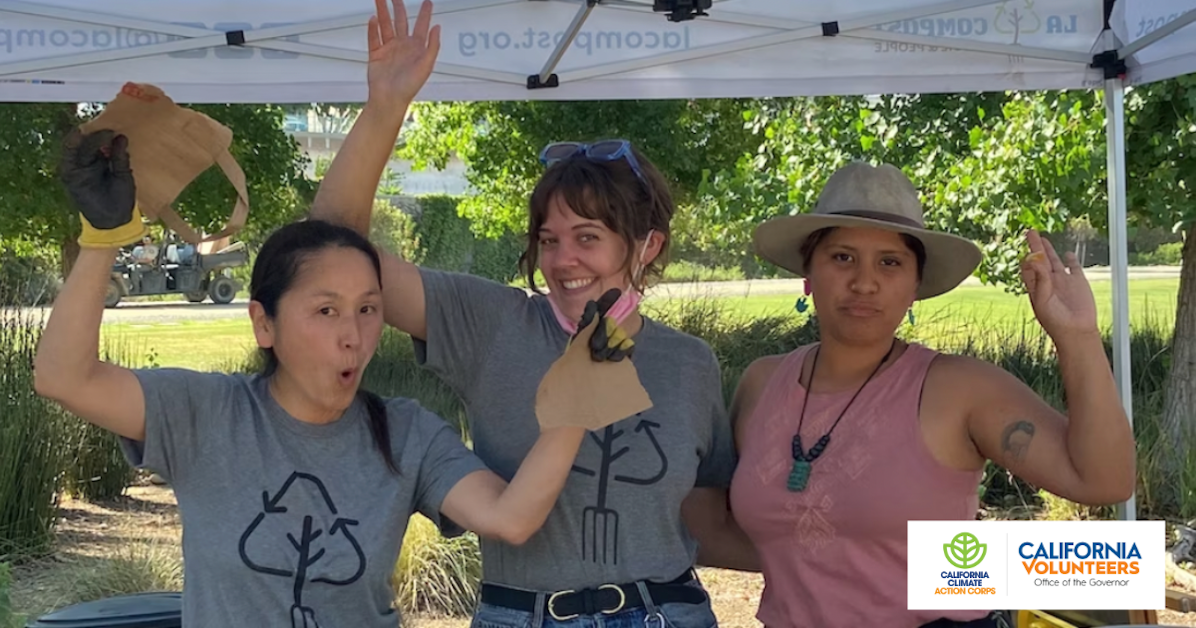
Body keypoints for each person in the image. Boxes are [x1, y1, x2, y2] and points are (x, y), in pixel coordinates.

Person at [34, 128, 595, 628]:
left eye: (368, 309)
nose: (353, 335)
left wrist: (579, 393)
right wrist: (102, 239)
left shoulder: (407, 435)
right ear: (264, 324)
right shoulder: (205, 413)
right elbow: (64, 377)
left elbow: (511, 518)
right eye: (325, 311)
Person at [308, 1, 752, 626]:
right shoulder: (490, 325)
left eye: (588, 237)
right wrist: (387, 109)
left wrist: (857, 564)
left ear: (647, 245)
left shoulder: (689, 363)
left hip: (666, 611)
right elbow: (328, 252)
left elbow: (709, 518)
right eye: (548, 239)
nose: (563, 260)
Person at [726, 162, 1137, 628]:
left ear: (916, 284)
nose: (864, 282)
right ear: (808, 271)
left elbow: (1104, 481)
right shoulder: (761, 385)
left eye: (890, 262)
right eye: (842, 257)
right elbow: (737, 531)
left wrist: (1077, 337)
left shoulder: (958, 390)